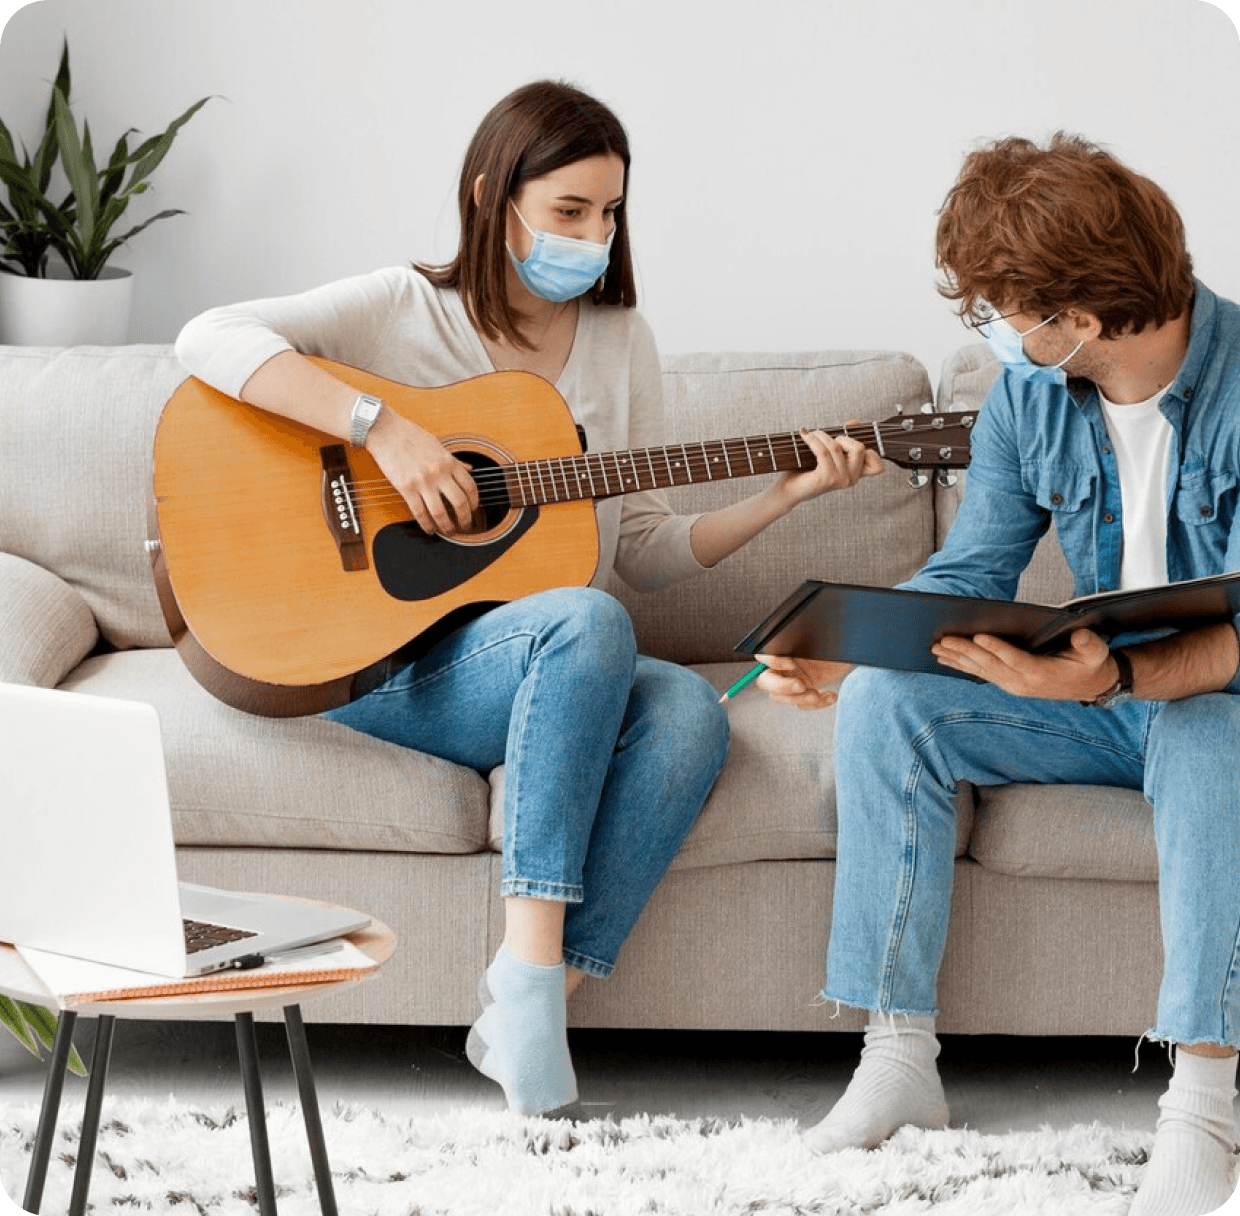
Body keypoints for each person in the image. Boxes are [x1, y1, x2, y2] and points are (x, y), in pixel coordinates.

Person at [175, 79, 881, 1118]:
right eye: (569, 211)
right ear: (492, 197)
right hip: (371, 653)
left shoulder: (619, 338)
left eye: (609, 212)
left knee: (689, 708)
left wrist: (783, 496)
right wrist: (383, 427)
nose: (594, 235)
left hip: (536, 658)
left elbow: (643, 548)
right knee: (587, 617)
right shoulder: (400, 305)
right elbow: (208, 337)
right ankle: (534, 983)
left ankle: (533, 998)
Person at [758, 133, 1240, 1216]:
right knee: (891, 700)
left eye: (1009, 309)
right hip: (1092, 700)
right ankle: (896, 1059)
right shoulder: (1030, 396)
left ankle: (1204, 1100)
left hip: (1216, 700)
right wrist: (853, 645)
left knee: (1209, 733)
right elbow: (974, 567)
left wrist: (1114, 684)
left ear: (1081, 312)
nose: (999, 331)